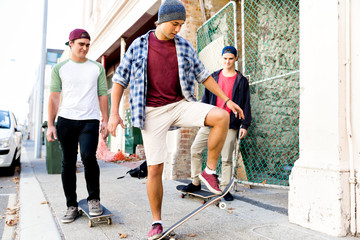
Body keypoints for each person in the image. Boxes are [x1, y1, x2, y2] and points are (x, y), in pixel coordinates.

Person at [107, 0, 244, 239]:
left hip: (180, 105)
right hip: (151, 113)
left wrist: (227, 99)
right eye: (174, 24)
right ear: (161, 20)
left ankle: (209, 171)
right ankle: (156, 222)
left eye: (181, 24)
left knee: (221, 115)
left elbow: (203, 76)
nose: (178, 29)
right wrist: (114, 114)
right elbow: (119, 80)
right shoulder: (139, 46)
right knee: (155, 169)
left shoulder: (183, 46)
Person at [46, 28, 109, 224]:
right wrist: (50, 124)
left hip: (90, 120)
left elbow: (102, 95)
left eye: (88, 45)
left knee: (89, 157)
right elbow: (55, 97)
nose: (85, 48)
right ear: (71, 44)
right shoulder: (60, 69)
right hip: (66, 120)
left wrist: (105, 120)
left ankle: (94, 200)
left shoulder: (96, 68)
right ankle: (71, 205)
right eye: (81, 44)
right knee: (68, 163)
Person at [183, 46, 252, 201]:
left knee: (226, 158)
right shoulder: (213, 77)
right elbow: (205, 100)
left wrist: (244, 125)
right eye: (225, 58)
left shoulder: (241, 81)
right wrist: (201, 118)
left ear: (235, 59)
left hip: (231, 124)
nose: (227, 61)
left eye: (231, 58)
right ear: (221, 58)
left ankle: (225, 189)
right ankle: (195, 182)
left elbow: (246, 104)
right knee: (195, 149)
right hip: (210, 121)